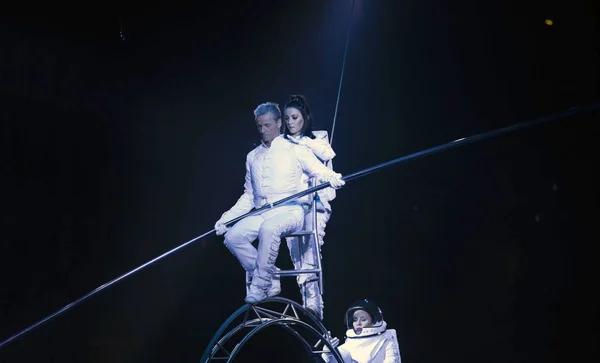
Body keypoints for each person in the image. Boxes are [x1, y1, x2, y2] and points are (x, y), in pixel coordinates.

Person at [214, 102, 345, 304]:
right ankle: (271, 275)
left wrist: (332, 177)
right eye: (259, 126)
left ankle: (260, 284)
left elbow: (318, 170)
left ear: (278, 123)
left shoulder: (294, 148)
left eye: (267, 125)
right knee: (233, 237)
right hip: (263, 211)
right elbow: (249, 195)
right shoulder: (252, 157)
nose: (263, 130)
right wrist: (227, 218)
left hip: (291, 211)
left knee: (269, 229)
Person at [282, 95, 336, 320]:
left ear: (304, 117)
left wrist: (303, 143)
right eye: (286, 119)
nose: (290, 123)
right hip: (290, 205)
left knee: (310, 255)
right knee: (297, 259)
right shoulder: (281, 144)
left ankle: (314, 308)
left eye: (295, 117)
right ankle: (309, 306)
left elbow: (327, 159)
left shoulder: (318, 139)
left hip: (313, 205)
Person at [322, 299, 402, 362]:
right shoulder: (349, 345)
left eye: (363, 320)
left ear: (374, 322)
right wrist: (328, 352)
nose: (358, 323)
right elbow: (337, 360)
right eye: (355, 320)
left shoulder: (386, 342)